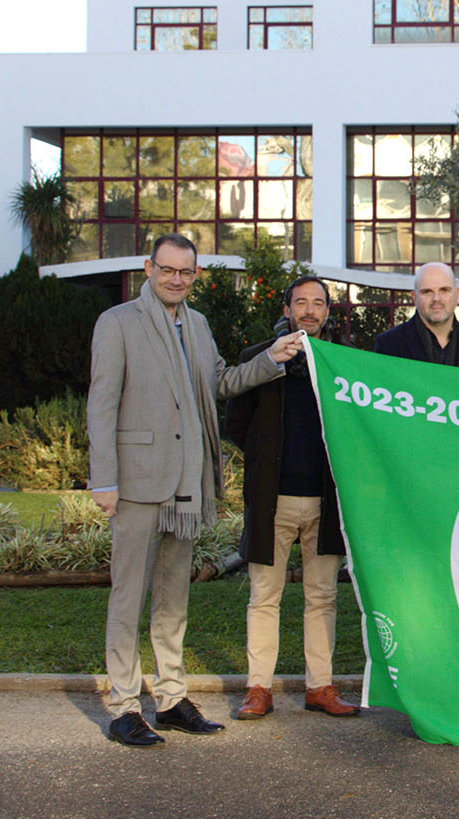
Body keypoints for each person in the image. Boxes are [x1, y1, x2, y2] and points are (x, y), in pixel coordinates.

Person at [88, 233, 303, 747]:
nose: (176, 279)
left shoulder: (199, 324)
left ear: (196, 275)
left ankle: (169, 698)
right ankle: (122, 706)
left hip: (186, 482)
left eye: (186, 272)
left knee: (173, 599)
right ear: (149, 267)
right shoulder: (117, 322)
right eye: (168, 270)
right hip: (138, 482)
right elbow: (101, 404)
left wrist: (271, 358)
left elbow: (221, 383)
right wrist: (105, 480)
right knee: (127, 597)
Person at [222, 275, 360, 721]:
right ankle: (258, 687)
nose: (309, 310)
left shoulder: (342, 363)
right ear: (287, 309)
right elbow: (237, 425)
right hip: (272, 500)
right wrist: (266, 458)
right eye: (301, 302)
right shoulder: (257, 359)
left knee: (322, 597)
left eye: (318, 303)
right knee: (265, 595)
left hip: (326, 501)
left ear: (327, 312)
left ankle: (320, 686)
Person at [373, 261, 459, 370]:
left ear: (456, 295)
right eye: (427, 292)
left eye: (444, 290)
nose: (436, 299)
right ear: (414, 298)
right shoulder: (389, 345)